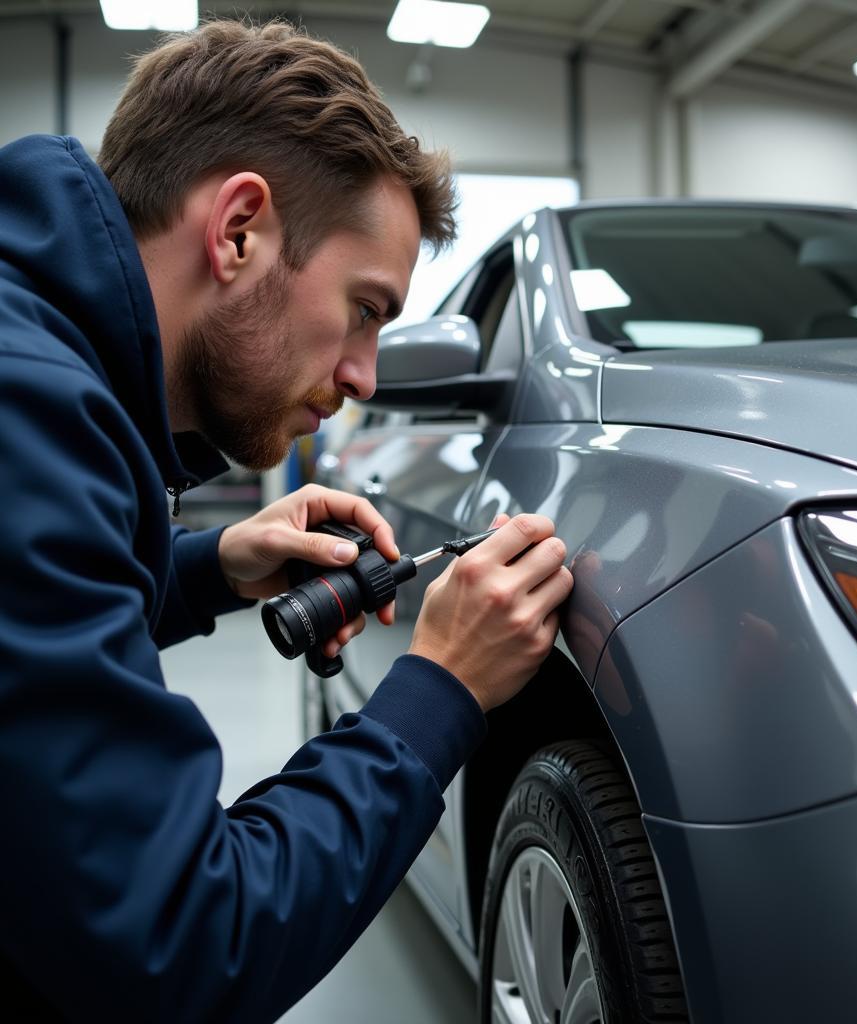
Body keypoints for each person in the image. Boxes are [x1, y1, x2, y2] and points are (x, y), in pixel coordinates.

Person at [0, 19, 573, 1021]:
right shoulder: (28, 417)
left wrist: (207, 567)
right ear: (237, 232)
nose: (362, 379)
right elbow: (177, 942)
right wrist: (438, 691)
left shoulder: (37, 364)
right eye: (363, 308)